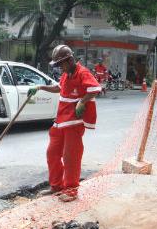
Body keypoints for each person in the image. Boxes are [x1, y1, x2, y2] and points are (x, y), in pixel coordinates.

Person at [27, 45, 101, 202]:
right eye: (58, 65)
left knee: (70, 156)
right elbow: (58, 88)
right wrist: (40, 87)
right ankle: (56, 186)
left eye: (61, 64)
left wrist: (83, 101)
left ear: (70, 60)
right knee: (52, 153)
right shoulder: (66, 74)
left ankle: (71, 190)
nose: (60, 67)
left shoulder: (83, 72)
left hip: (74, 122)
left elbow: (95, 88)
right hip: (60, 121)